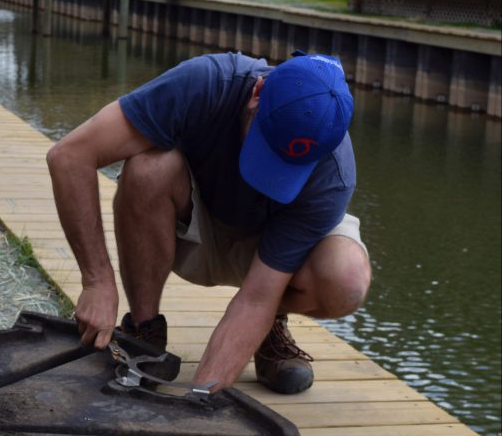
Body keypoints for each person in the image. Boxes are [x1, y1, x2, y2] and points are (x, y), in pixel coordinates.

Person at [46, 51, 371, 394]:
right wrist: (97, 280)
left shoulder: (333, 174)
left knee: (346, 278)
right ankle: (145, 333)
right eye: (267, 149)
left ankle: (269, 330)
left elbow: (257, 298)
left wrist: (199, 402)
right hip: (195, 222)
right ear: (257, 92)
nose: (270, 174)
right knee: (148, 169)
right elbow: (70, 156)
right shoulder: (205, 83)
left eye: (286, 167)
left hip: (271, 247)